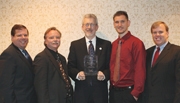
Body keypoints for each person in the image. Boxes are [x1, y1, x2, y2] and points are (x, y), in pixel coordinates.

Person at [67, 14, 111, 103]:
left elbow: (111, 67)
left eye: (92, 24)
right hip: (81, 93)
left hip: (100, 93)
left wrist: (104, 75)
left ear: (97, 27)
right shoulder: (75, 45)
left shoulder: (106, 45)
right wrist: (77, 74)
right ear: (82, 27)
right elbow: (70, 67)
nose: (89, 27)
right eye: (87, 24)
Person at [109, 11, 146, 103]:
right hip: (114, 92)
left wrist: (136, 93)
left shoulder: (137, 43)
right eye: (117, 22)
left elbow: (140, 69)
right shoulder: (113, 45)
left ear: (128, 23)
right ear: (114, 24)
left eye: (122, 21)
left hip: (129, 93)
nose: (119, 25)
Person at [141, 21, 180, 103]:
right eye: (154, 32)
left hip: (168, 100)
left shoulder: (176, 51)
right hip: (148, 100)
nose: (157, 35)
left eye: (161, 32)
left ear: (167, 33)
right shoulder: (147, 52)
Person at [33, 27, 73, 103]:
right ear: (45, 41)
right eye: (51, 38)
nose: (55, 40)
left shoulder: (62, 58)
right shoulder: (41, 58)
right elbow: (40, 86)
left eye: (57, 37)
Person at [0, 24, 37, 103]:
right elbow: (6, 87)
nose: (23, 38)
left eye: (25, 35)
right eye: (19, 35)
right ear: (12, 37)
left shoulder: (24, 53)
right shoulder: (8, 54)